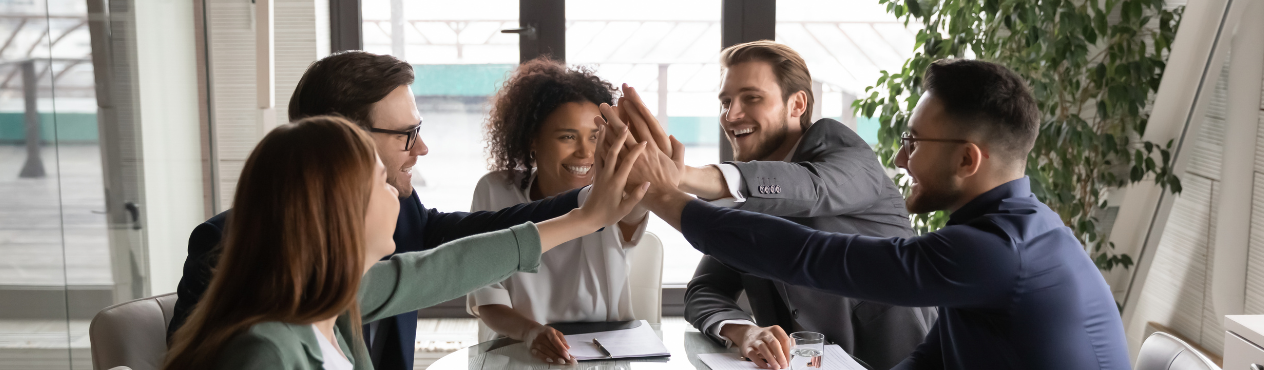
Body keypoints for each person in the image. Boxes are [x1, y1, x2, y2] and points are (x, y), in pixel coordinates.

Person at [626, 58, 1131, 369]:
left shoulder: (992, 251)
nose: (899, 158)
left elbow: (814, 256)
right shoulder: (1019, 228)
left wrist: (670, 196)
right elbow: (936, 356)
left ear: (966, 159)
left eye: (913, 142)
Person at [170, 51, 589, 370]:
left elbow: (456, 260)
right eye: (407, 134)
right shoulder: (261, 325)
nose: (422, 148)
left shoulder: (342, 284)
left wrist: (588, 207)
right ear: (339, 143)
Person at [610, 40, 933, 369]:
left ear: (797, 105)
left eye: (751, 98)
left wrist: (681, 176)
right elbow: (703, 290)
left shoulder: (843, 151)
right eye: (726, 101)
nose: (731, 115)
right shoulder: (744, 197)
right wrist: (745, 331)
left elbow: (811, 188)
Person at [468, 58, 649, 365]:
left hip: (604, 353)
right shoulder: (494, 190)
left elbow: (633, 215)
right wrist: (532, 333)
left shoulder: (617, 190)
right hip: (518, 350)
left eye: (595, 137)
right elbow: (487, 298)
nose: (584, 152)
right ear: (533, 140)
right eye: (567, 136)